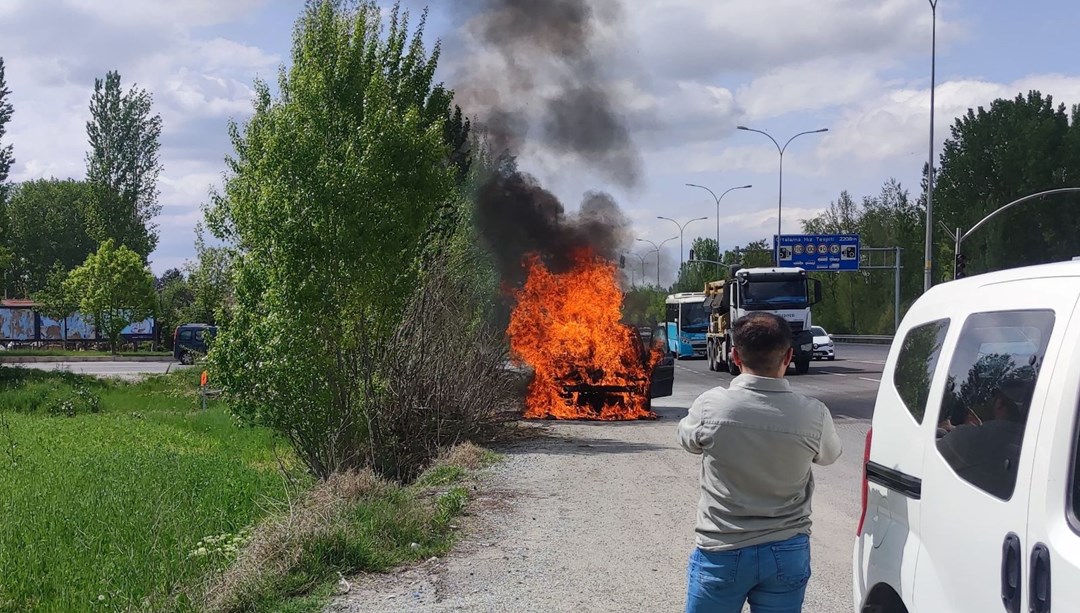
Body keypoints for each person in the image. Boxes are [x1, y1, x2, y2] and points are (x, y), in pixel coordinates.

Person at [678, 312, 842, 613]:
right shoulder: (812, 414)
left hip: (722, 548)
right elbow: (830, 455)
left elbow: (687, 441)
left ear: (734, 355)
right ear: (789, 355)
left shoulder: (711, 405)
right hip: (787, 547)